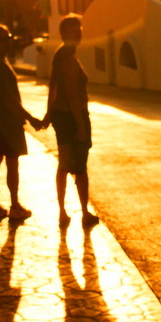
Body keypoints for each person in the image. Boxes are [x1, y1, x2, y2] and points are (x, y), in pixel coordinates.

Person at [0, 24, 42, 220]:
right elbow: (9, 99)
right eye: (3, 39)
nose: (7, 42)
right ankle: (14, 205)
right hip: (6, 122)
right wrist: (30, 118)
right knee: (12, 163)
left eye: (8, 38)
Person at [43, 14, 98, 227]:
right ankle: (84, 213)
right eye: (74, 30)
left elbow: (53, 87)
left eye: (80, 29)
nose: (79, 33)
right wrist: (81, 125)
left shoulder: (60, 55)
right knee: (80, 168)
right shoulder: (68, 59)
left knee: (64, 165)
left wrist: (49, 113)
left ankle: (63, 212)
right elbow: (73, 94)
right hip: (72, 117)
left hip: (61, 116)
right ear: (65, 34)